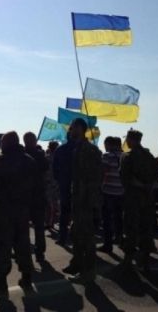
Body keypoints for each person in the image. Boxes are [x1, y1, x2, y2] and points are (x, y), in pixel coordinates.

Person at [0, 131, 37, 294]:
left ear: (7, 143)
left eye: (2, 142)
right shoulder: (29, 161)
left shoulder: (1, 161)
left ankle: (1, 282)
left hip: (3, 210)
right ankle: (26, 278)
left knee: (2, 245)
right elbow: (36, 186)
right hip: (23, 209)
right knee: (23, 244)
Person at [62, 118, 102, 284]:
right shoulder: (77, 148)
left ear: (80, 129)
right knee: (76, 233)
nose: (70, 130)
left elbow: (94, 177)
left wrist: (89, 200)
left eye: (73, 128)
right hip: (78, 197)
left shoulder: (89, 150)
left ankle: (88, 272)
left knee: (86, 236)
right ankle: (78, 264)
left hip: (85, 200)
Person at [120, 130, 158, 272]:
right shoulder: (149, 156)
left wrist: (141, 185)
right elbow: (156, 178)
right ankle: (146, 260)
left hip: (133, 198)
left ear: (131, 140)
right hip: (147, 198)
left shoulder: (128, 157)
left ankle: (128, 260)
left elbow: (126, 178)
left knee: (131, 228)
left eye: (127, 139)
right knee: (146, 228)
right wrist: (147, 187)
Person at [23, 132, 49, 262]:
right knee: (39, 227)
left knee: (23, 227)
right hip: (37, 194)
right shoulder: (40, 155)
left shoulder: (22, 156)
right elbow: (46, 171)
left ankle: (25, 251)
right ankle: (40, 252)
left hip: (25, 196)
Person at [99, 137, 124, 253]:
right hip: (121, 191)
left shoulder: (107, 156)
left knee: (107, 220)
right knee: (119, 218)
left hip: (108, 191)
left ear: (108, 144)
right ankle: (120, 239)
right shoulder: (123, 156)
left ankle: (107, 245)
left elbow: (102, 172)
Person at [53, 133, 76, 245]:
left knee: (64, 212)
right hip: (78, 185)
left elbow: (54, 169)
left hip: (64, 184)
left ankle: (63, 237)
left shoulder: (60, 149)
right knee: (78, 212)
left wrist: (60, 180)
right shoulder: (82, 149)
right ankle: (75, 236)